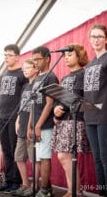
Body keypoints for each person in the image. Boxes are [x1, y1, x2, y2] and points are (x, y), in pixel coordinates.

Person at [84, 24, 107, 197]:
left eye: (99, 36)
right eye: (93, 37)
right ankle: (102, 193)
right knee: (97, 158)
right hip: (89, 115)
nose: (96, 40)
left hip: (106, 114)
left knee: (106, 158)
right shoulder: (90, 64)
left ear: (106, 38)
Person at [51, 44, 91, 197]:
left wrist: (61, 108)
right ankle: (74, 190)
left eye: (70, 55)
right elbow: (59, 97)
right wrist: (56, 110)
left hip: (75, 119)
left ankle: (74, 191)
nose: (66, 58)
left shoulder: (82, 74)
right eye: (65, 56)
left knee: (65, 155)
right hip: (63, 120)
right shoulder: (65, 77)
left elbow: (78, 96)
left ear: (79, 56)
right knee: (64, 156)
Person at [0, 44, 28, 193]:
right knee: (6, 151)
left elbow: (25, 98)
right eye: (4, 55)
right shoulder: (3, 75)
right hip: (2, 117)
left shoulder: (22, 75)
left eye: (9, 55)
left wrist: (20, 117)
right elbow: (0, 98)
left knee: (15, 151)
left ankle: (17, 182)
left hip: (14, 117)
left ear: (17, 56)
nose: (6, 58)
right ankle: (8, 180)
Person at [27, 45, 59, 197]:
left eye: (37, 59)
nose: (35, 63)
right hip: (36, 125)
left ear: (47, 59)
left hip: (45, 125)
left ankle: (45, 191)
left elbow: (49, 103)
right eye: (33, 60)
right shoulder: (36, 79)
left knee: (45, 157)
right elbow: (33, 104)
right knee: (38, 159)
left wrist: (38, 125)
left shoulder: (51, 77)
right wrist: (30, 125)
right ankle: (46, 187)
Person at [12, 58, 41, 196]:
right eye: (23, 68)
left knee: (33, 158)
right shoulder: (25, 86)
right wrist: (18, 119)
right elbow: (22, 104)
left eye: (28, 68)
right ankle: (25, 184)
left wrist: (32, 125)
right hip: (22, 124)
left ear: (36, 68)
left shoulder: (38, 84)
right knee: (18, 156)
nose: (24, 71)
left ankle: (34, 186)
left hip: (32, 125)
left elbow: (37, 106)